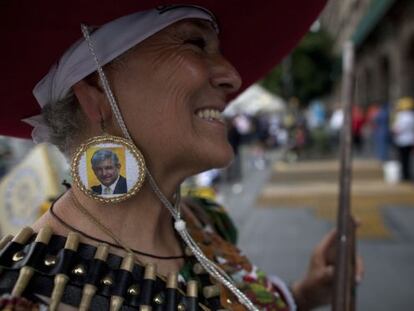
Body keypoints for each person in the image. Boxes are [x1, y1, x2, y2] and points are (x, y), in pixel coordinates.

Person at [0, 2, 363, 311]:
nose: (233, 77)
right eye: (194, 43)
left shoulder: (204, 222)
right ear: (97, 92)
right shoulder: (23, 293)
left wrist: (305, 294)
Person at [392, 97, 414, 181]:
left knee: (403, 159)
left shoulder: (402, 116)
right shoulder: (412, 115)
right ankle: (407, 174)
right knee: (408, 159)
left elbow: (398, 128)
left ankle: (405, 175)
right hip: (410, 140)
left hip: (402, 140)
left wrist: (394, 131)